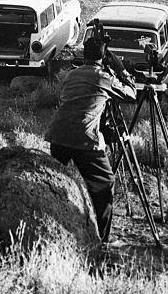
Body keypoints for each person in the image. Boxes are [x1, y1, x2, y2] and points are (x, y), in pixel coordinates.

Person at [44, 37, 136, 241]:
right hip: (84, 140)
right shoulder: (103, 78)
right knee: (105, 183)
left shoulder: (71, 74)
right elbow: (131, 94)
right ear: (104, 57)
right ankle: (100, 239)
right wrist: (121, 70)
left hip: (57, 135)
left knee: (51, 179)